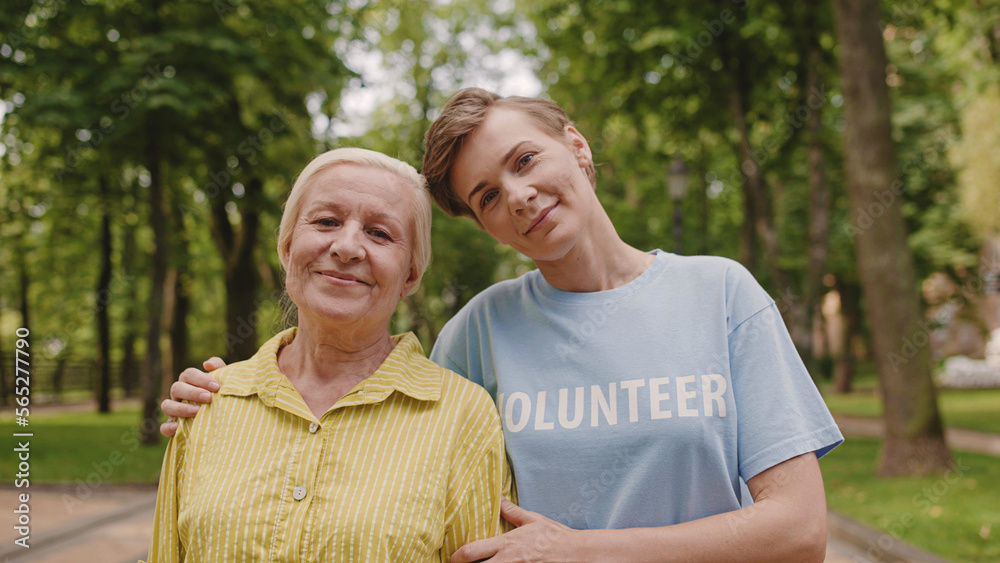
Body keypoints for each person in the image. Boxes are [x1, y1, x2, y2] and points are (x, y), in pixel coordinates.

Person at [162, 90, 843, 562]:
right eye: (487, 195)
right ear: (484, 224)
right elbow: (369, 412)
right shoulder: (478, 332)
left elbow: (799, 530)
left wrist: (580, 550)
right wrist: (240, 394)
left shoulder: (720, 293)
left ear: (574, 144)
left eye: (524, 160)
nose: (517, 196)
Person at [145, 148, 510, 562]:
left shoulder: (463, 415)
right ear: (287, 247)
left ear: (409, 274)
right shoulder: (208, 401)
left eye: (379, 233)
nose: (347, 246)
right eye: (326, 222)